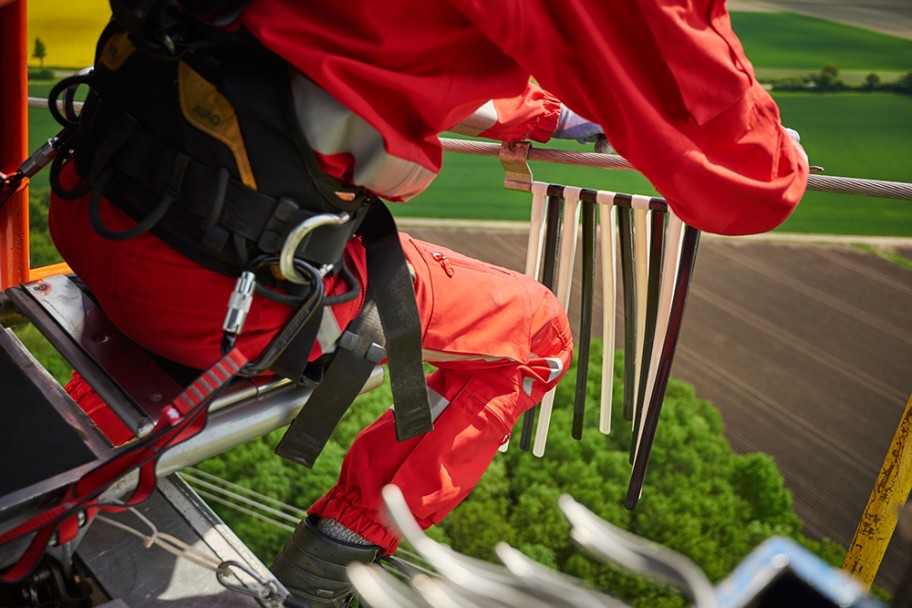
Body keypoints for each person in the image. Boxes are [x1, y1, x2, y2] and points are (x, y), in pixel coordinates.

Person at [47, 0, 808, 606]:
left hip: (98, 210)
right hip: (220, 298)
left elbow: (352, 45)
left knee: (206, 259)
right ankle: (340, 555)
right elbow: (744, 185)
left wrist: (540, 113)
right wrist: (778, 151)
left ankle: (64, 479)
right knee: (536, 333)